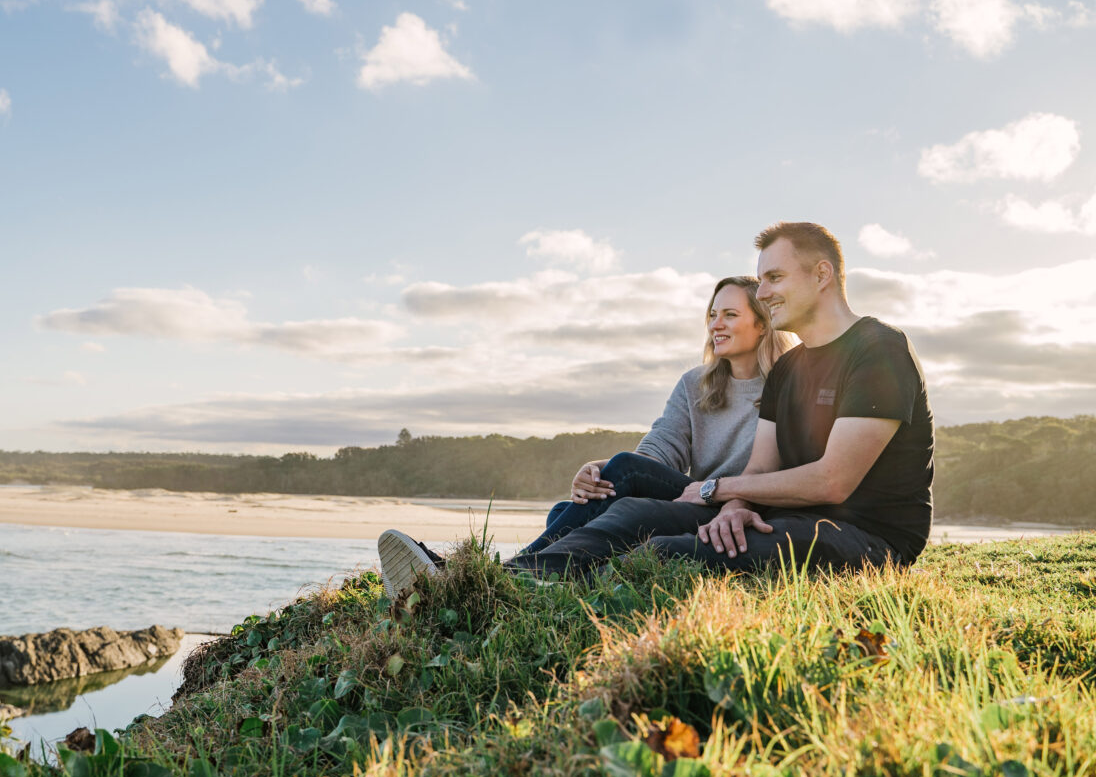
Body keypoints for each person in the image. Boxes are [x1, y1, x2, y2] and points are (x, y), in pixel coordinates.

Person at [378, 222, 934, 596]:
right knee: (629, 515)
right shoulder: (790, 371)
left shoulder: (877, 349)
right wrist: (736, 502)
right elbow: (760, 470)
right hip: (794, 515)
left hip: (870, 541)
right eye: (760, 278)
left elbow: (834, 481)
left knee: (666, 551)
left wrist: (717, 493)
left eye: (773, 277)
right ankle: (482, 584)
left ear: (822, 274)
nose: (763, 292)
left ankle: (526, 594)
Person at [517, 275, 795, 555]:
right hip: (695, 497)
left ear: (762, 324)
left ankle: (520, 566)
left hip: (744, 507)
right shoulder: (695, 384)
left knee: (597, 494)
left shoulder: (788, 384)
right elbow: (658, 455)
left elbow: (634, 469)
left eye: (730, 315)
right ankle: (551, 571)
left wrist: (621, 466)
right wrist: (597, 470)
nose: (715, 325)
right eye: (712, 315)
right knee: (562, 511)